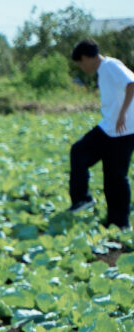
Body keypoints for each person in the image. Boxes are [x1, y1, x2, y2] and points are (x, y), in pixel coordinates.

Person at [68, 38, 134, 229]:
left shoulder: (110, 65)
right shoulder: (103, 70)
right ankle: (83, 199)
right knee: (79, 152)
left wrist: (122, 114)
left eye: (80, 63)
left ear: (85, 58)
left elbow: (132, 84)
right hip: (109, 129)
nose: (82, 68)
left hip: (123, 131)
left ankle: (120, 223)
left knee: (116, 177)